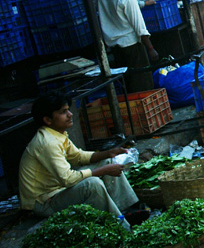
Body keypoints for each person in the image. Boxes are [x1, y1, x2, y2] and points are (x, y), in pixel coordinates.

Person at [19, 93, 140, 226]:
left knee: (108, 161)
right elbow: (68, 179)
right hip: (44, 202)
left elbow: (79, 157)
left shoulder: (57, 134)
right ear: (48, 120)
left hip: (58, 191)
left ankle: (128, 210)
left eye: (68, 110)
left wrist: (108, 153)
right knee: (92, 184)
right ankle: (120, 227)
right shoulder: (47, 143)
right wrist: (102, 171)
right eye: (63, 112)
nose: (70, 114)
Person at [96, 0, 159, 92]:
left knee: (127, 84)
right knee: (142, 83)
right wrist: (150, 47)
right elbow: (139, 26)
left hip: (115, 46)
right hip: (131, 45)